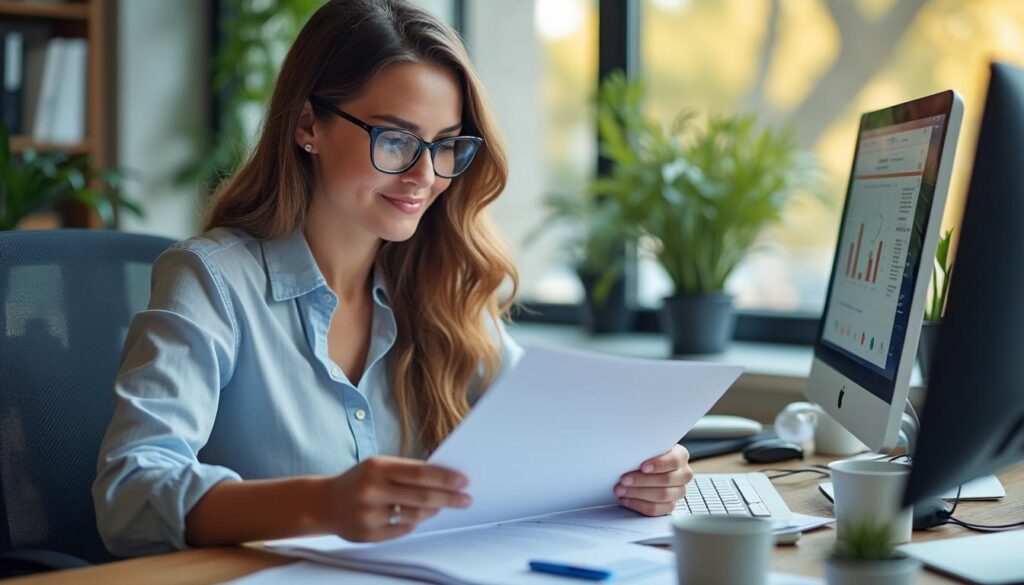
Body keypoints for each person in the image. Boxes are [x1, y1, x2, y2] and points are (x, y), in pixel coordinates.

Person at [92, 0, 692, 557]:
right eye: (396, 139)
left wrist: (640, 469)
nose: (424, 174)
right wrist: (321, 503)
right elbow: (130, 491)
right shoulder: (211, 281)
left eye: (444, 145)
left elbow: (551, 433)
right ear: (308, 125)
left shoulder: (441, 285)